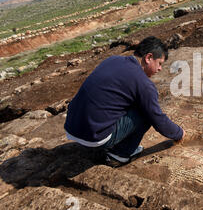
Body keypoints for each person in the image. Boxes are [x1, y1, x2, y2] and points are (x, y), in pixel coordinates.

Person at [64, 36, 185, 167]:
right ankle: (120, 154)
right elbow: (158, 119)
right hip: (94, 136)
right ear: (148, 58)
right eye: (160, 63)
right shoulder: (143, 84)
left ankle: (111, 142)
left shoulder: (113, 59)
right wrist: (179, 133)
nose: (160, 68)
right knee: (145, 113)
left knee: (129, 101)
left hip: (72, 127)